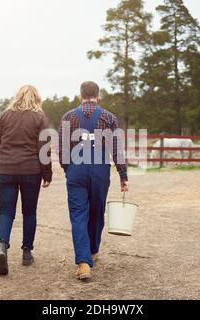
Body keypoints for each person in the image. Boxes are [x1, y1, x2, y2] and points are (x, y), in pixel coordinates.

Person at [59, 81, 129, 281]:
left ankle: (83, 263)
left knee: (78, 215)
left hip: (76, 170)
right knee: (97, 212)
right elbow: (117, 150)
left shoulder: (68, 117)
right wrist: (123, 176)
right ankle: (92, 252)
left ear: (80, 96)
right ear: (97, 96)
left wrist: (69, 170)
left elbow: (63, 150)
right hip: (100, 170)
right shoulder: (109, 117)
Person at [0, 85, 52, 276]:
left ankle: (2, 246)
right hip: (30, 171)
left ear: (18, 97)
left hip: (5, 170)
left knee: (6, 212)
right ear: (36, 99)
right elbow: (44, 149)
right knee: (29, 212)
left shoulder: (4, 116)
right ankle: (26, 252)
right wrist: (47, 173)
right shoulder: (40, 118)